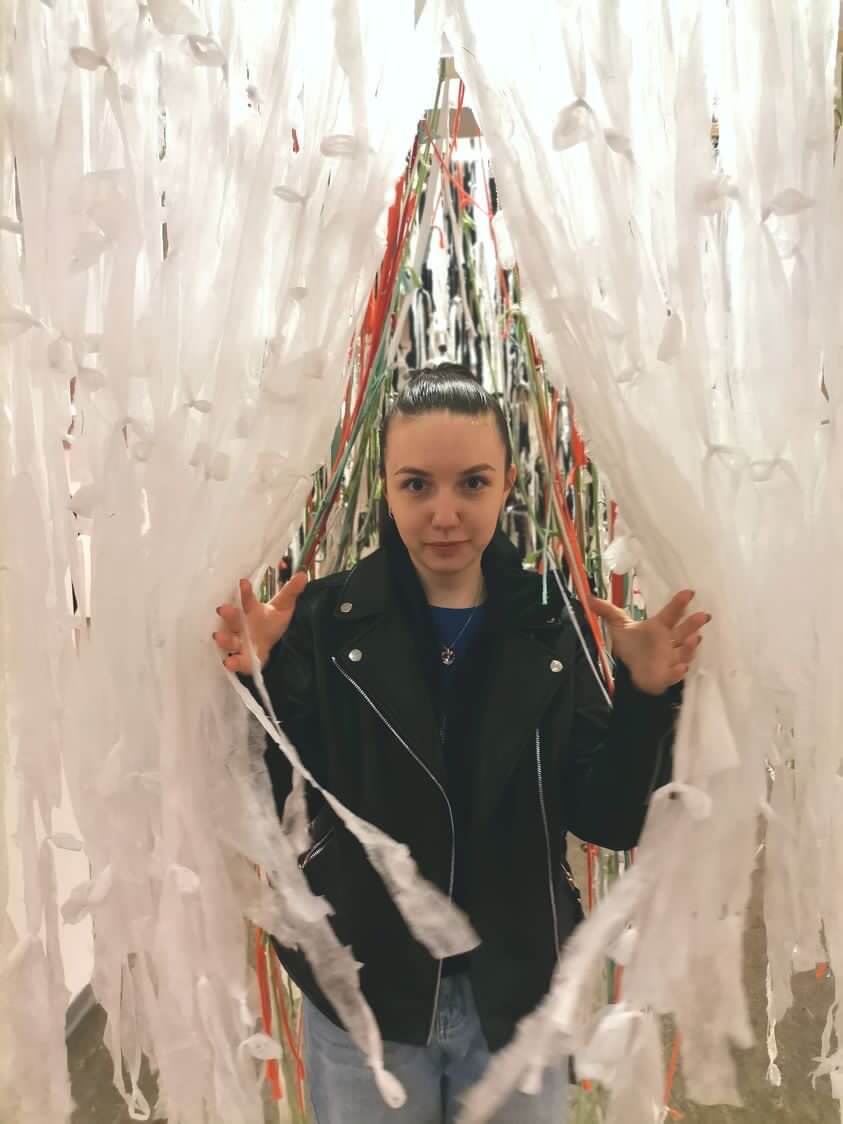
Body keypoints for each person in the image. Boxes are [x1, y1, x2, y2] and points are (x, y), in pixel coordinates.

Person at [213, 364, 709, 1124]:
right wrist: (258, 678)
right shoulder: (323, 620)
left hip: (516, 992)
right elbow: (277, 808)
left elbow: (607, 820)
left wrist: (644, 697)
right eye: (417, 485)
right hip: (366, 990)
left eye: (471, 483)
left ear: (506, 482)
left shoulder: (551, 620)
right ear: (385, 487)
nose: (444, 514)